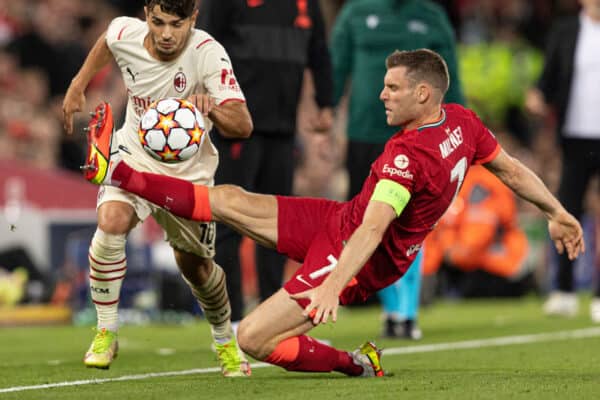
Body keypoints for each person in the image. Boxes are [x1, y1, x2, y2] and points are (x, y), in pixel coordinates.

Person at [82, 49, 584, 377]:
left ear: (422, 93)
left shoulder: (407, 158)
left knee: (254, 338)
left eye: (392, 88)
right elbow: (512, 170)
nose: (381, 95)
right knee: (230, 200)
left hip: (359, 254)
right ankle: (118, 174)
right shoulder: (462, 121)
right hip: (339, 219)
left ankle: (356, 364)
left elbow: (373, 229)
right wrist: (558, 211)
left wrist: (331, 285)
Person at [62, 0, 253, 376]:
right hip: (133, 154)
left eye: (177, 24)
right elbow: (107, 40)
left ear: (193, 18)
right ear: (145, 14)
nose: (166, 34)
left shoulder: (207, 53)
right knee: (111, 221)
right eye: (158, 22)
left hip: (188, 174)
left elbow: (243, 125)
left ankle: (224, 340)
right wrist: (77, 84)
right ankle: (106, 330)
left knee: (196, 268)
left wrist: (211, 106)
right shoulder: (126, 32)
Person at [195, 0, 334, 330]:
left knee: (278, 227)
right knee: (229, 222)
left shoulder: (304, 3)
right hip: (236, 130)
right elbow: (202, 48)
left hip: (282, 130)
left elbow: (318, 51)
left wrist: (325, 101)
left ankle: (272, 318)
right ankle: (230, 319)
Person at [330, 0, 465, 337]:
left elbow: (453, 81)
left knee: (410, 224)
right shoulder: (356, 13)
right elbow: (335, 68)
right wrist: (324, 112)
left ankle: (405, 312)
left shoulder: (432, 16)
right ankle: (394, 310)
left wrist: (458, 131)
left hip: (418, 137)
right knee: (367, 223)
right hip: (365, 135)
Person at [525, 0, 600, 321]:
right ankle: (564, 290)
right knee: (566, 210)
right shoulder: (566, 30)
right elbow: (548, 78)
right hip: (575, 137)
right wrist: (537, 96)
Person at [422, 165, 532, 298]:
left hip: (496, 265)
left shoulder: (481, 180)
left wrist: (454, 250)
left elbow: (481, 225)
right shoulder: (474, 178)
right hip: (484, 261)